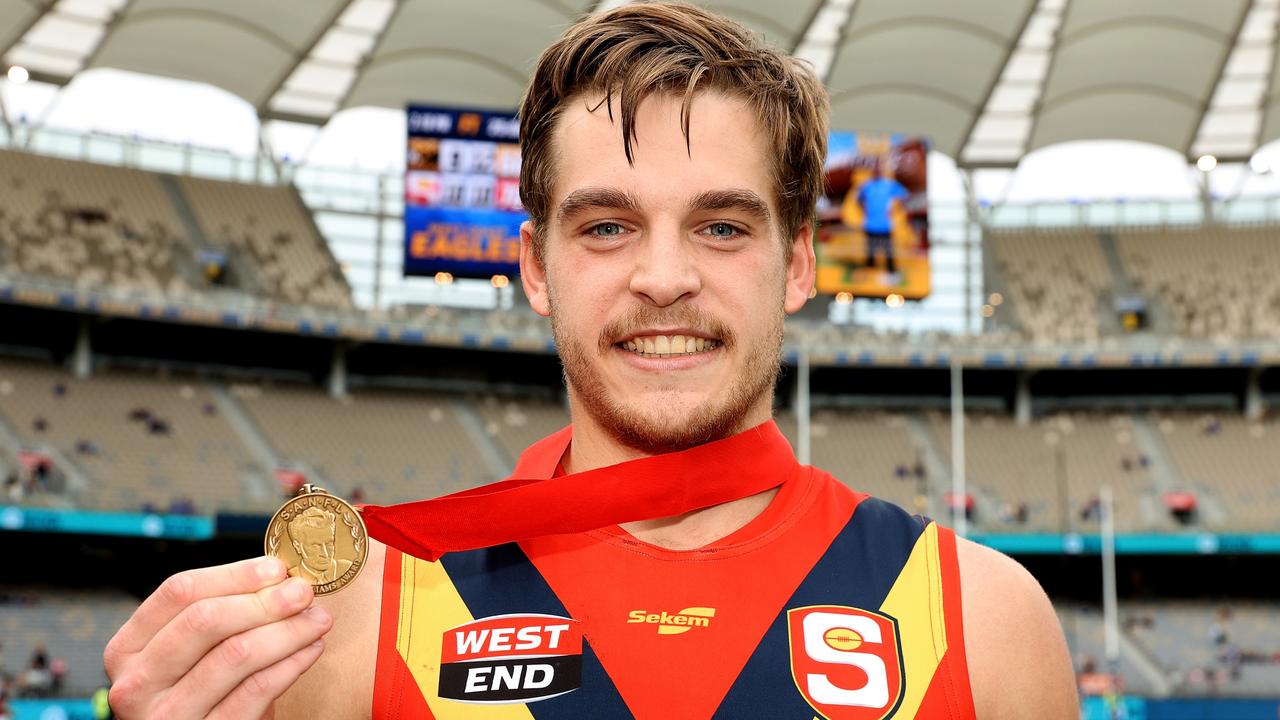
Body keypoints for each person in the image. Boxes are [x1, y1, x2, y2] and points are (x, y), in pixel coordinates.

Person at [102, 4, 1077, 719]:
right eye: (606, 225)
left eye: (722, 226)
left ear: (797, 266)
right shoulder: (350, 621)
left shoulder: (978, 619)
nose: (663, 277)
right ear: (534, 266)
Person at [284, 507, 353, 585]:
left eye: (329, 544)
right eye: (315, 546)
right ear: (297, 546)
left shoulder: (346, 569)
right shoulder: (290, 575)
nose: (325, 554)